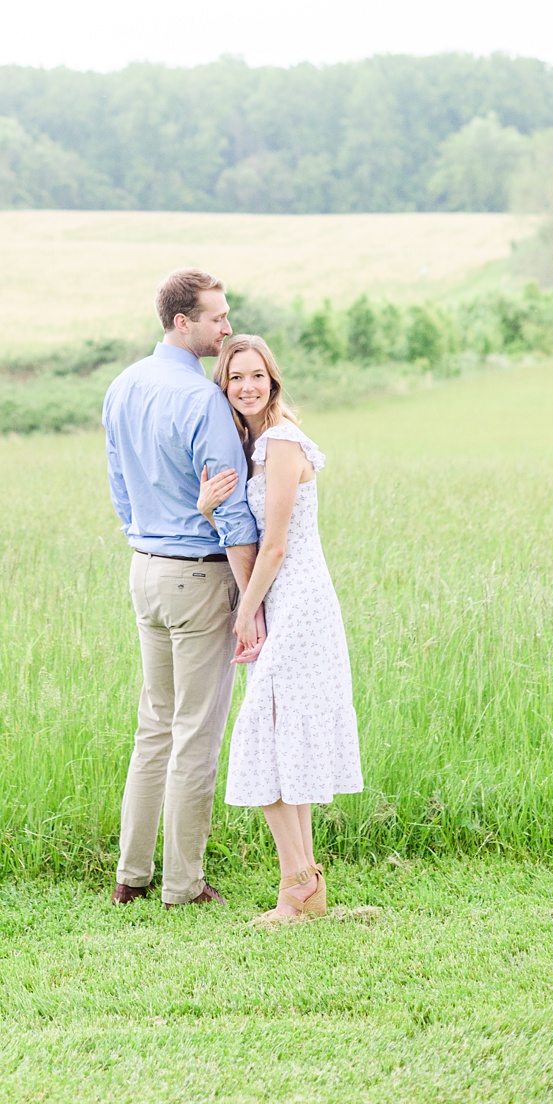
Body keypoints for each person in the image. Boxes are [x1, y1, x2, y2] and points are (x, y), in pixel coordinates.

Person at [105, 268, 261, 909]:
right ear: (182, 322)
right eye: (218, 317)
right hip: (198, 574)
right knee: (195, 732)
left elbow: (119, 484)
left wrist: (147, 532)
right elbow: (232, 510)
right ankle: (184, 886)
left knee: (155, 728)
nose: (226, 328)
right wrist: (252, 600)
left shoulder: (122, 386)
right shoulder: (201, 400)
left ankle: (131, 877)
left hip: (145, 567)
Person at [214, 332, 365, 924]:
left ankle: (296, 886)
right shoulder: (256, 445)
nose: (247, 386)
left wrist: (246, 611)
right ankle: (305, 889)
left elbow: (274, 546)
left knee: (266, 731)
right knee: (284, 735)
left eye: (257, 376)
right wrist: (210, 511)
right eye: (235, 378)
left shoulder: (278, 442)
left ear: (272, 380)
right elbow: (247, 533)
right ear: (224, 386)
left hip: (296, 600)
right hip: (285, 600)